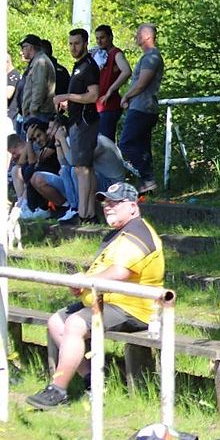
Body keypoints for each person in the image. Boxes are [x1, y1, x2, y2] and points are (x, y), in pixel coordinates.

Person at [26, 182, 164, 410]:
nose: (108, 207)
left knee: (75, 324)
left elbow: (120, 272)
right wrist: (82, 284)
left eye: (115, 203)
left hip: (135, 308)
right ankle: (93, 380)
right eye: (105, 203)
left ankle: (57, 390)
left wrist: (85, 282)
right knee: (56, 321)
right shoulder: (120, 233)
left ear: (132, 207)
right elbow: (105, 271)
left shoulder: (138, 233)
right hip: (109, 301)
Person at [53, 28, 100, 224]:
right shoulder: (78, 65)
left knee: (82, 168)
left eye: (77, 43)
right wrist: (68, 103)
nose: (73, 47)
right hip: (76, 121)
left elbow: (93, 95)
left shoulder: (88, 65)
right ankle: (87, 213)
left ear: (86, 43)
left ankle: (83, 214)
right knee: (84, 168)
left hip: (85, 122)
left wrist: (67, 96)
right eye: (71, 44)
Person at [119, 23, 164, 194]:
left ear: (147, 36)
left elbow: (142, 83)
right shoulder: (147, 57)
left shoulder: (151, 57)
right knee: (142, 147)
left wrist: (126, 96)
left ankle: (147, 178)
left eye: (138, 33)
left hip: (143, 108)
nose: (136, 36)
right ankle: (148, 184)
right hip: (140, 107)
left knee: (126, 143)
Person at [93, 25, 132, 142]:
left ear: (110, 37)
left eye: (102, 37)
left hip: (109, 106)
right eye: (97, 38)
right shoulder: (98, 54)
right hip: (97, 105)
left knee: (106, 142)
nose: (99, 41)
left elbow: (127, 71)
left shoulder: (116, 53)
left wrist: (110, 90)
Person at [18, 34, 56, 120]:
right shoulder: (36, 61)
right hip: (37, 114)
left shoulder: (40, 62)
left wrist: (33, 110)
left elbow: (39, 88)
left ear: (31, 47)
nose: (21, 51)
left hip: (39, 114)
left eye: (23, 47)